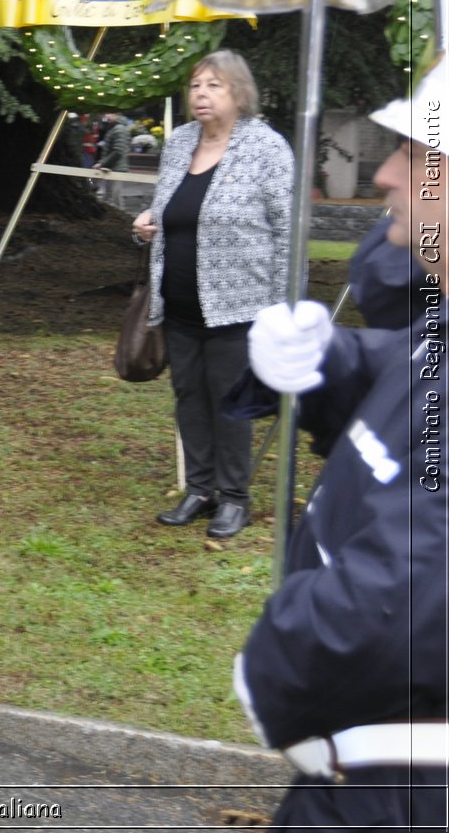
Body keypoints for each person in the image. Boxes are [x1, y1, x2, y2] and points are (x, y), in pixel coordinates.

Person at [230, 61, 448, 832]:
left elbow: (414, 587)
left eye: (421, 157)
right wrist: (329, 361)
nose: (386, 173)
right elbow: (414, 373)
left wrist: (280, 665)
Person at [133, 50, 292, 539]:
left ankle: (235, 498)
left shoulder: (266, 148)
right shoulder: (180, 143)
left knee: (230, 402)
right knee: (188, 398)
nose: (201, 94)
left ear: (239, 93)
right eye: (196, 86)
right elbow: (169, 211)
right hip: (179, 302)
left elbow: (288, 231)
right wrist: (145, 225)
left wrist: (284, 307)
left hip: (240, 305)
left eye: (214, 86)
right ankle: (199, 490)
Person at [95, 113, 130, 208]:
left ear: (117, 114)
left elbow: (118, 151)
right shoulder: (116, 128)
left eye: (109, 113)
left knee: (115, 200)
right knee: (112, 198)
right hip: (113, 168)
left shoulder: (119, 129)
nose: (106, 116)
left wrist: (102, 163)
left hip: (116, 168)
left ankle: (122, 221)